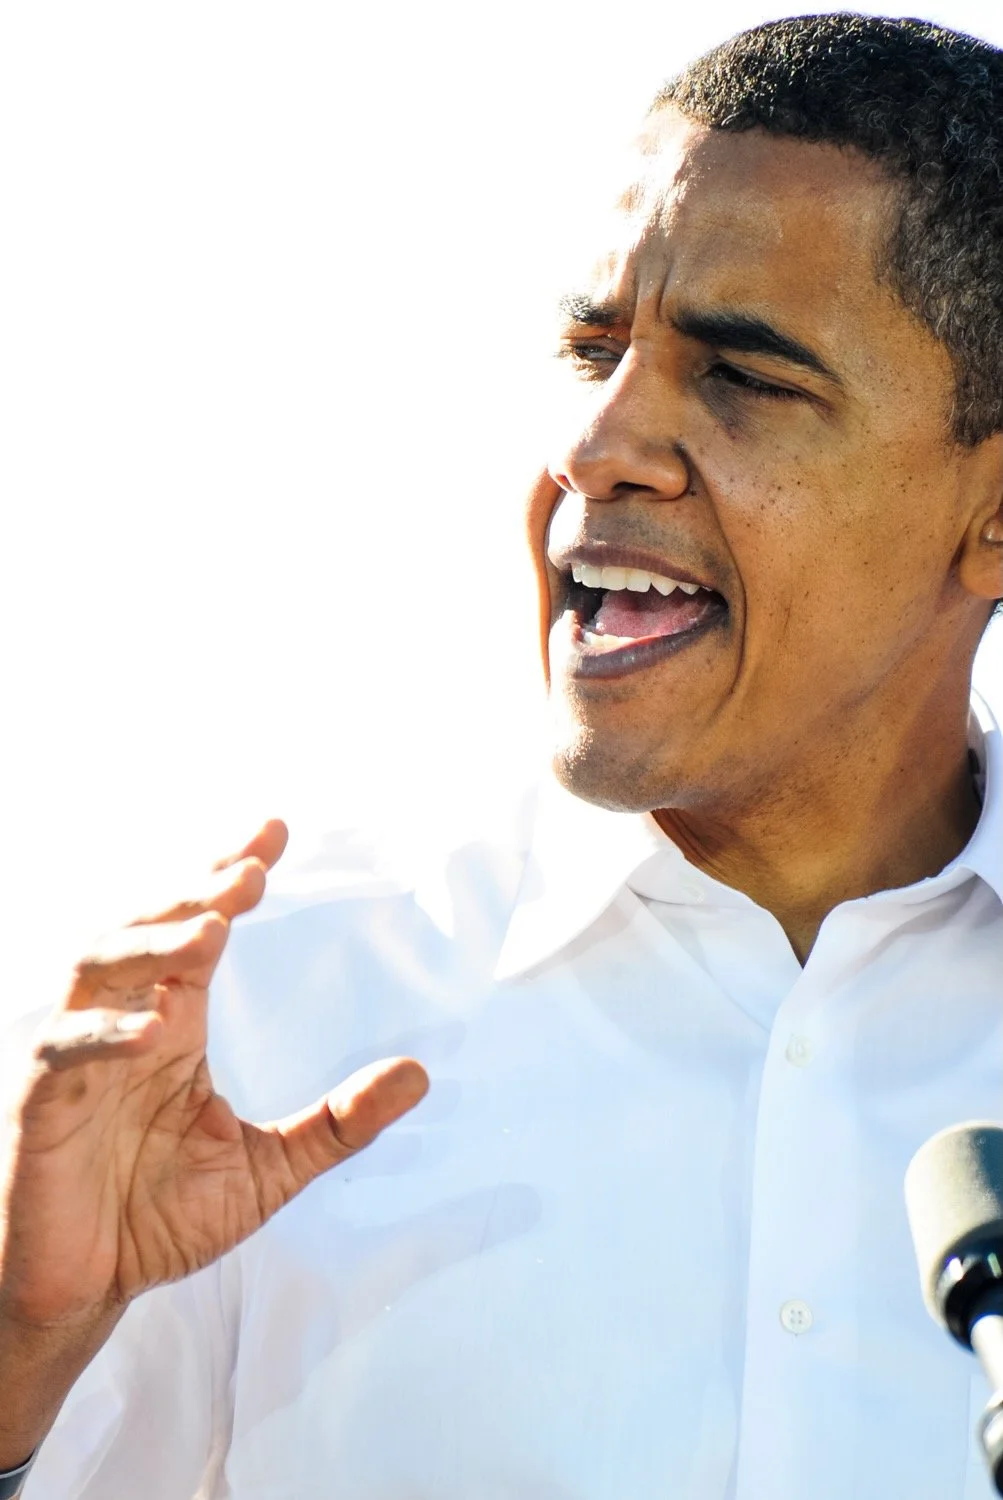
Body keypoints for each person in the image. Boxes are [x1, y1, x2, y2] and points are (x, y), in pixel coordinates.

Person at [2, 11, 1002, 1498]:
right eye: (590, 347)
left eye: (739, 375)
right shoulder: (248, 1023)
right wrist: (22, 1362)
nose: (596, 444)